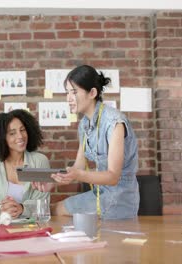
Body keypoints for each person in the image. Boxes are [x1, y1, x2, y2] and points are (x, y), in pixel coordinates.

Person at [34, 65, 139, 220]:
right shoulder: (84, 125)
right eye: (67, 92)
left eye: (74, 92)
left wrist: (78, 174)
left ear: (92, 93)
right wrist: (53, 183)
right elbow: (78, 167)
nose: (68, 98)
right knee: (55, 210)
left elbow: (112, 177)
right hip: (100, 194)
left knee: (58, 210)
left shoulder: (115, 123)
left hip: (119, 198)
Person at [0, 109, 50, 218]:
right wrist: (1, 210)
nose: (20, 136)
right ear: (1, 138)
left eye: (23, 130)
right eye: (12, 133)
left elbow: (43, 204)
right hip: (0, 226)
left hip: (31, 227)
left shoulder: (40, 161)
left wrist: (21, 208)